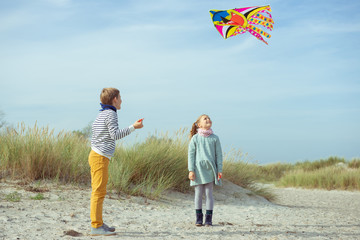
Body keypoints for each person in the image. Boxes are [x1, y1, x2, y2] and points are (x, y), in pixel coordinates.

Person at [88, 88, 143, 236]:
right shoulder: (111, 114)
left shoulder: (102, 114)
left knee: (99, 191)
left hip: (97, 155)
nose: (121, 100)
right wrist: (133, 127)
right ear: (114, 99)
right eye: (120, 97)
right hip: (99, 157)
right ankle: (96, 226)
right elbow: (115, 134)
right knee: (98, 192)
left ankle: (98, 222)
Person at [188, 114, 223, 227]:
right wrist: (191, 170)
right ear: (199, 124)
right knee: (198, 193)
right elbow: (191, 155)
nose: (208, 119)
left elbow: (219, 155)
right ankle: (199, 218)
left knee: (209, 194)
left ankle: (208, 219)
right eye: (205, 118)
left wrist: (219, 170)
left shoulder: (215, 138)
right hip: (198, 170)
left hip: (210, 169)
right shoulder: (195, 138)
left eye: (209, 118)